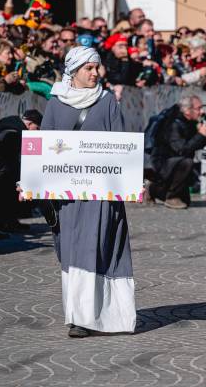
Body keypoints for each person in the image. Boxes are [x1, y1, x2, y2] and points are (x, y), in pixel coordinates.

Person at [37, 46, 136, 337]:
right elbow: (44, 147)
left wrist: (130, 179)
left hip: (101, 194)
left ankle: (108, 316)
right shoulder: (56, 103)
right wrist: (32, 181)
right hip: (68, 197)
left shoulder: (107, 102)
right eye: (88, 69)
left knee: (99, 248)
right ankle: (78, 316)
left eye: (97, 68)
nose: (95, 73)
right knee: (73, 250)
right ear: (74, 71)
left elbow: (121, 143)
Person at [148, 95, 206, 209]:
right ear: (187, 111)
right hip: (163, 163)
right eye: (198, 108)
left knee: (186, 201)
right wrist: (201, 135)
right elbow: (182, 150)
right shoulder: (173, 124)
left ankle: (154, 189)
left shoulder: (188, 122)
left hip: (175, 163)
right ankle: (171, 196)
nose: (201, 111)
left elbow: (193, 145)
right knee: (187, 162)